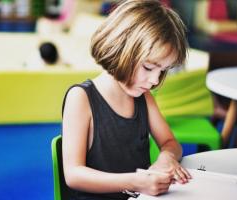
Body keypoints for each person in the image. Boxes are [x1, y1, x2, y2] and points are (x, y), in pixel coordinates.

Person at [62, 1, 191, 199]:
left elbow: (170, 142)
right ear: (121, 50)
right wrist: (135, 182)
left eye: (162, 70)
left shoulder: (143, 97)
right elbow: (73, 175)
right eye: (149, 68)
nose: (155, 80)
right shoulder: (81, 98)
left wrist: (166, 157)